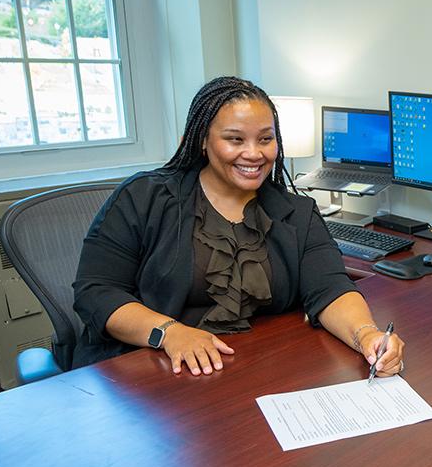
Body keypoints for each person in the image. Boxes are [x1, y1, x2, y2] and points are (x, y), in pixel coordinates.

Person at [73, 76, 404, 377]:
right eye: (235, 139)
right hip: (154, 371)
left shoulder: (296, 211)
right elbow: (97, 292)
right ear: (201, 140)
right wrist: (169, 332)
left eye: (265, 139)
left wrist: (367, 335)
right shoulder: (144, 197)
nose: (254, 154)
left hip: (253, 371)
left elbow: (331, 288)